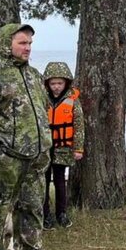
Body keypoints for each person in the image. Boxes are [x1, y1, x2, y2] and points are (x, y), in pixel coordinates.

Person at [0, 23, 65, 250]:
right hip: (6, 159)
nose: (27, 48)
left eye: (29, 44)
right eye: (22, 43)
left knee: (33, 207)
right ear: (6, 43)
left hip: (37, 157)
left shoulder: (34, 75)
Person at [43, 62, 84, 227]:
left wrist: (78, 148)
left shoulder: (73, 100)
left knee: (60, 181)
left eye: (60, 83)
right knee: (43, 182)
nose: (56, 87)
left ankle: (61, 213)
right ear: (47, 83)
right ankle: (45, 215)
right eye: (53, 83)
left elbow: (79, 125)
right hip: (45, 148)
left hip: (63, 148)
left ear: (66, 82)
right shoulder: (42, 98)